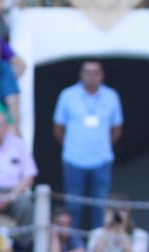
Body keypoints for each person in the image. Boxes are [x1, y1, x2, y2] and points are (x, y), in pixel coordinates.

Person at [53, 60, 124, 232]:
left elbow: (117, 128)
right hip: (74, 159)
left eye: (95, 73)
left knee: (99, 207)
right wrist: (70, 146)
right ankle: (72, 246)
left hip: (102, 160)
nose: (91, 76)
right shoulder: (67, 95)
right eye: (87, 72)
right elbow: (58, 127)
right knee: (73, 207)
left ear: (101, 75)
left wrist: (104, 146)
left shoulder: (111, 96)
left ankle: (96, 249)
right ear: (81, 74)